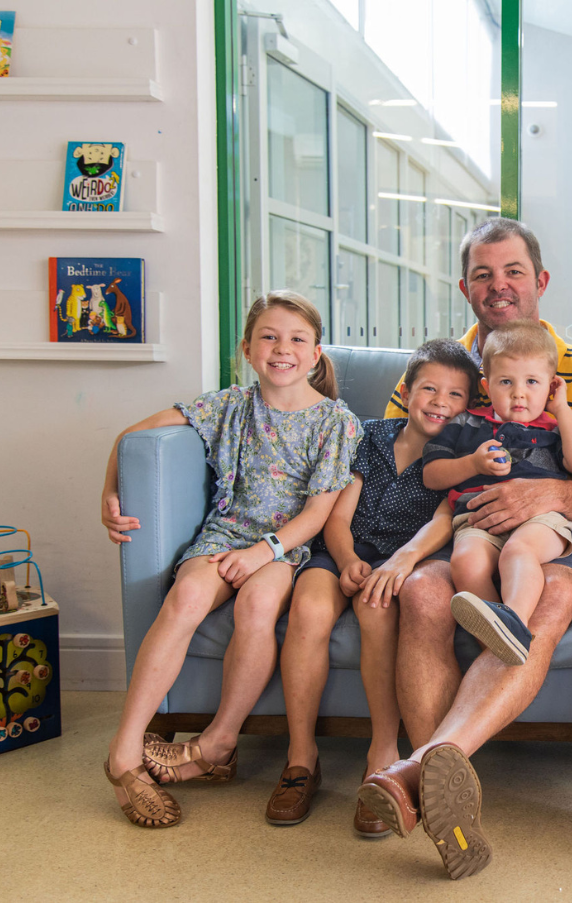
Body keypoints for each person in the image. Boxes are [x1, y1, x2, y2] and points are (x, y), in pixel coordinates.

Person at [357, 218, 572, 880]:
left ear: (541, 280)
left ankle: (419, 768)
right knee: (424, 592)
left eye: (512, 271)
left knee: (550, 594)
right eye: (483, 273)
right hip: (465, 525)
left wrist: (543, 497)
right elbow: (403, 470)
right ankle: (449, 803)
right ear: (464, 286)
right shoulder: (443, 374)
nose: (498, 285)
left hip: (560, 541)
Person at [99, 290, 359, 829]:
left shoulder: (336, 421)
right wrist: (108, 492)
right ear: (246, 347)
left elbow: (317, 515)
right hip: (224, 533)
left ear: (315, 354)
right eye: (268, 336)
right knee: (188, 595)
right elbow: (130, 437)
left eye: (296, 339)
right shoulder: (229, 405)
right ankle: (123, 754)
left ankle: (218, 742)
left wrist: (264, 551)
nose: (281, 348)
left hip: (284, 546)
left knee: (259, 604)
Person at [267, 339, 479, 834]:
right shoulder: (369, 436)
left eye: (455, 395)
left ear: (470, 406)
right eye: (429, 388)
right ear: (405, 391)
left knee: (378, 609)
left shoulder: (461, 454)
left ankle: (382, 754)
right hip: (346, 547)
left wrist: (400, 564)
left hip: (402, 557)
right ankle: (301, 758)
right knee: (309, 610)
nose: (440, 402)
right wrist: (343, 559)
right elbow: (337, 514)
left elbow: (445, 521)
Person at [423, 322, 572, 666]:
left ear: (550, 386)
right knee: (464, 561)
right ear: (486, 386)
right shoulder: (466, 423)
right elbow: (432, 475)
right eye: (506, 382)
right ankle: (497, 636)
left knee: (517, 552)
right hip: (478, 520)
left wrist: (561, 410)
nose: (519, 393)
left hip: (540, 521)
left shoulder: (552, 427)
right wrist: (472, 463)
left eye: (532, 382)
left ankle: (512, 620)